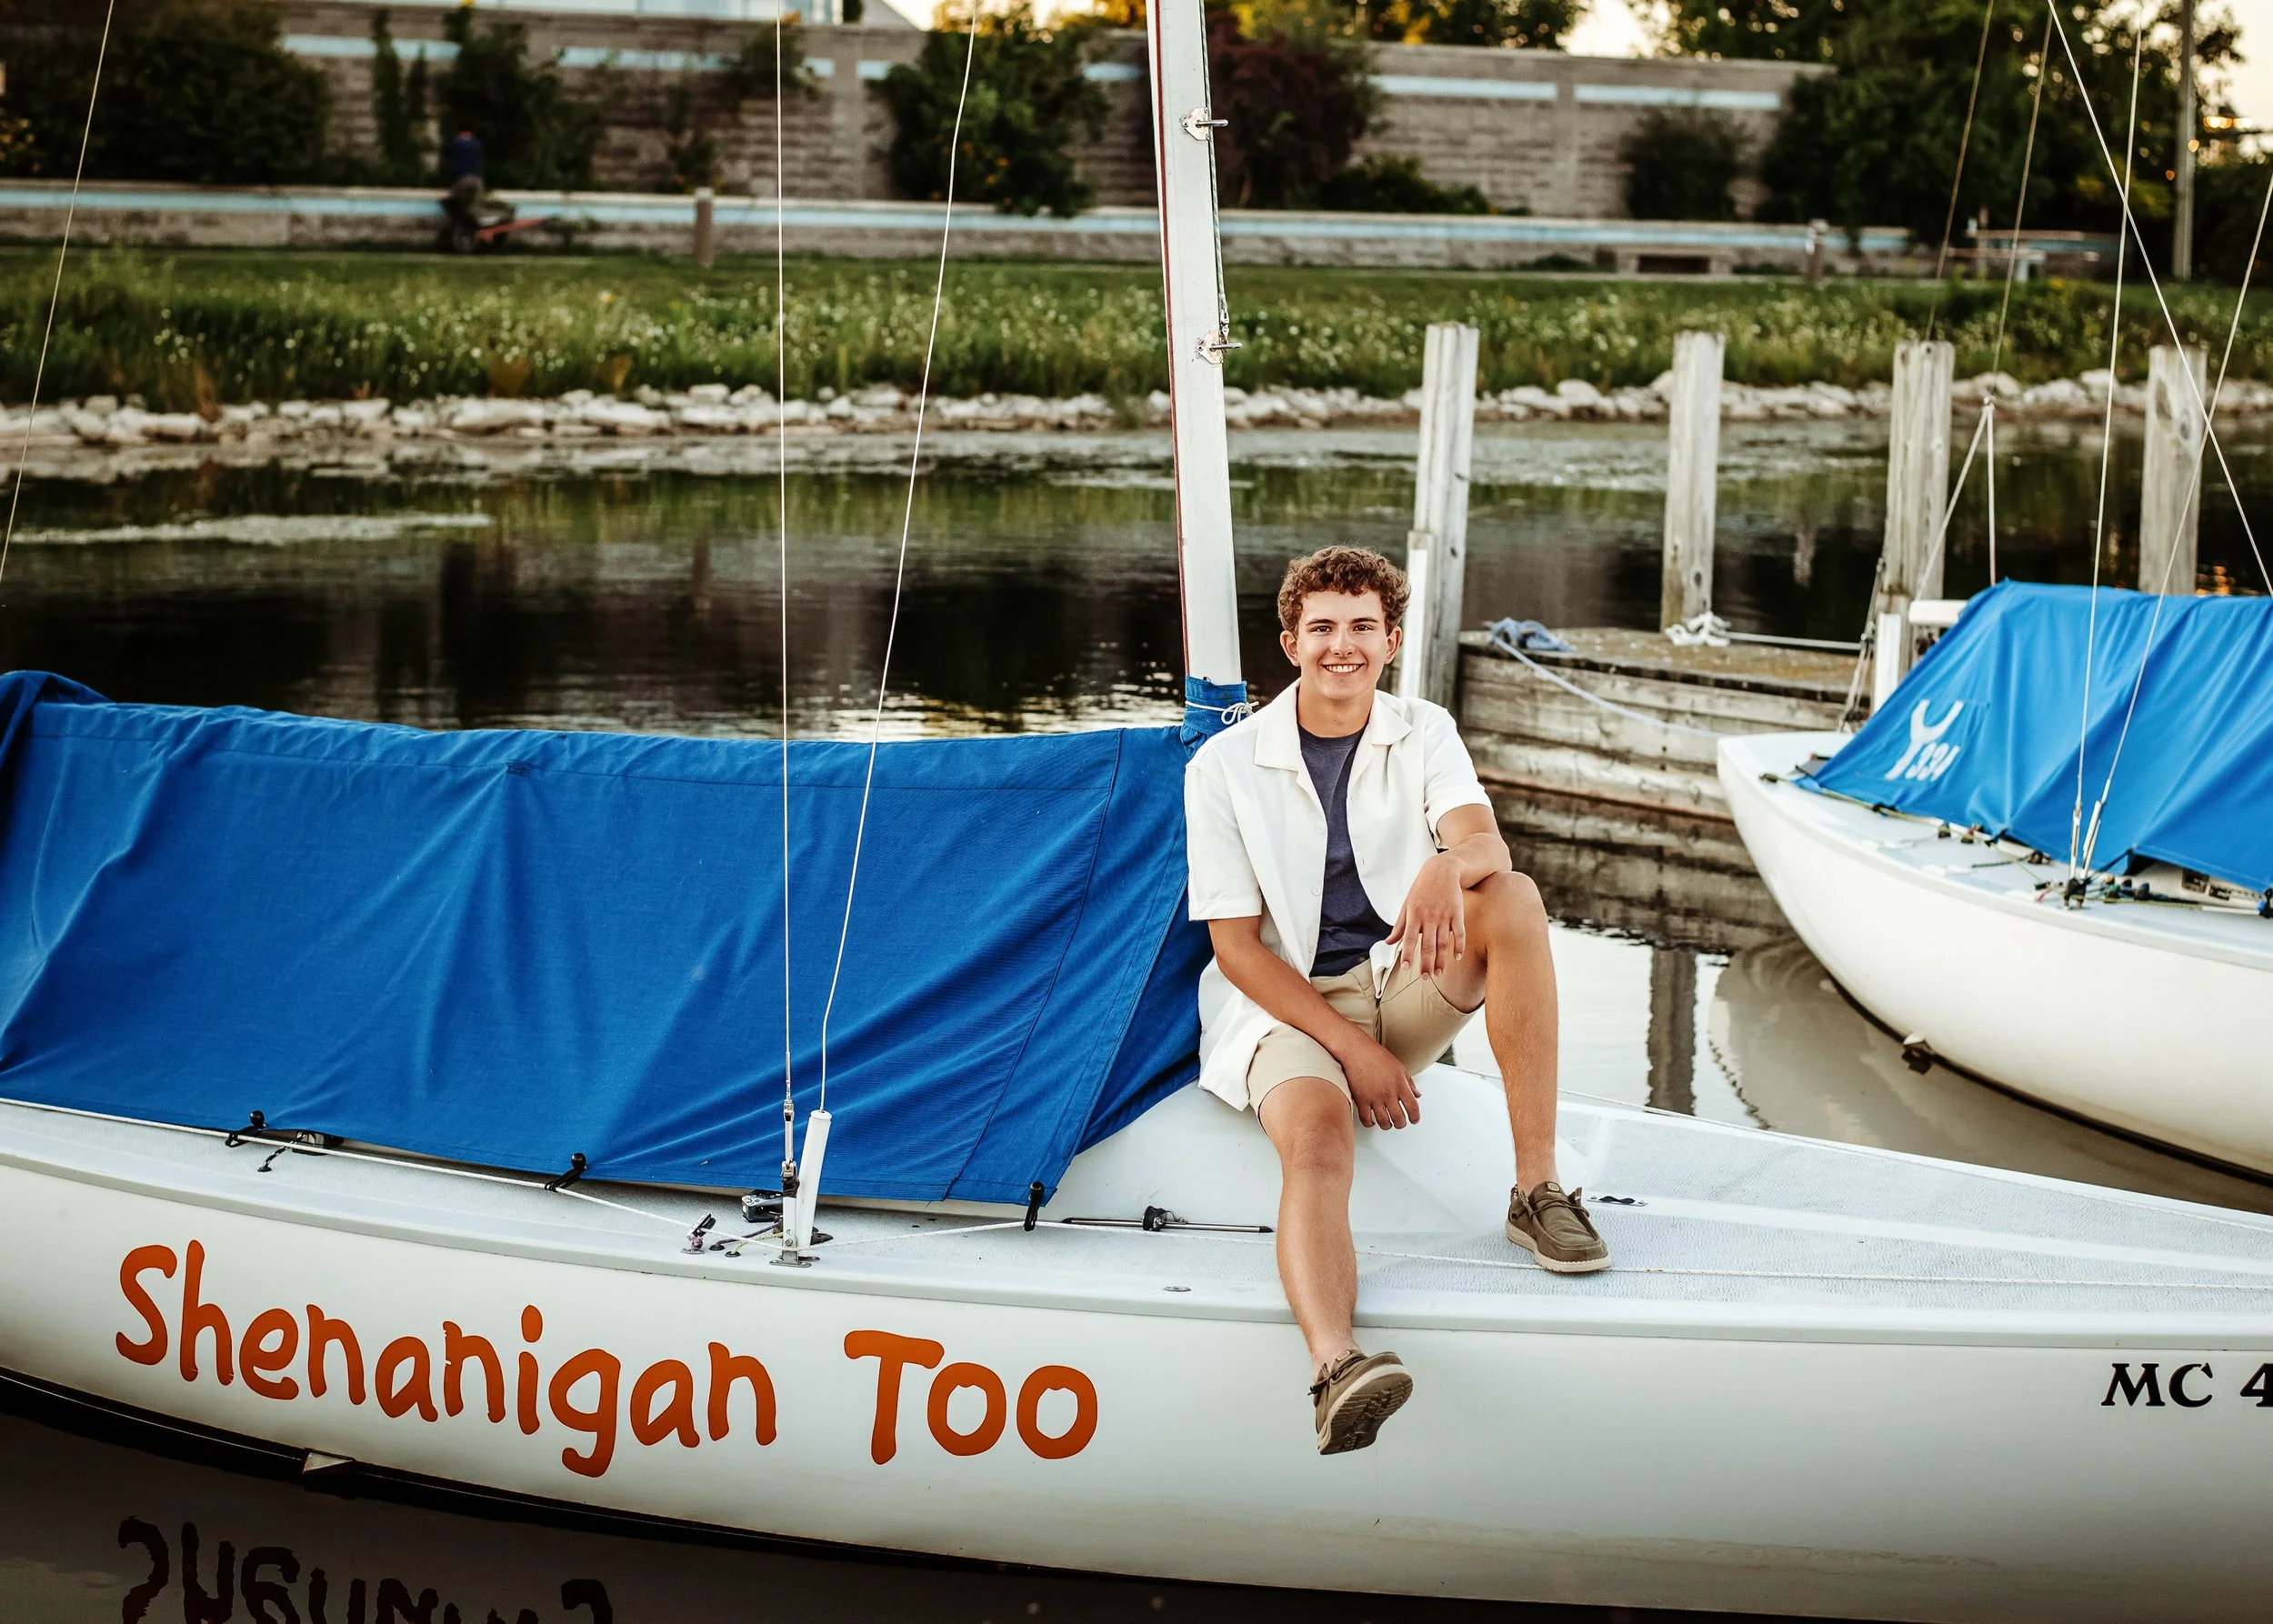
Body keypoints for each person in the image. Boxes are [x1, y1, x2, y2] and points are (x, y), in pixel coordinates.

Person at [1184, 546, 1608, 1457]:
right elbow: (1235, 948)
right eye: (1324, 628)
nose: (1343, 645)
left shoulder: (1422, 728)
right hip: (1285, 1002)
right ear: (1291, 641)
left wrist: (1446, 866)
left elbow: (1481, 840)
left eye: (1362, 628)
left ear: (1391, 640)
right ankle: (1335, 1367)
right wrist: (1354, 1051)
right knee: (1319, 1140)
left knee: (1515, 899)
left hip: (1398, 970)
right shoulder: (1222, 765)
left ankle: (1536, 1190)